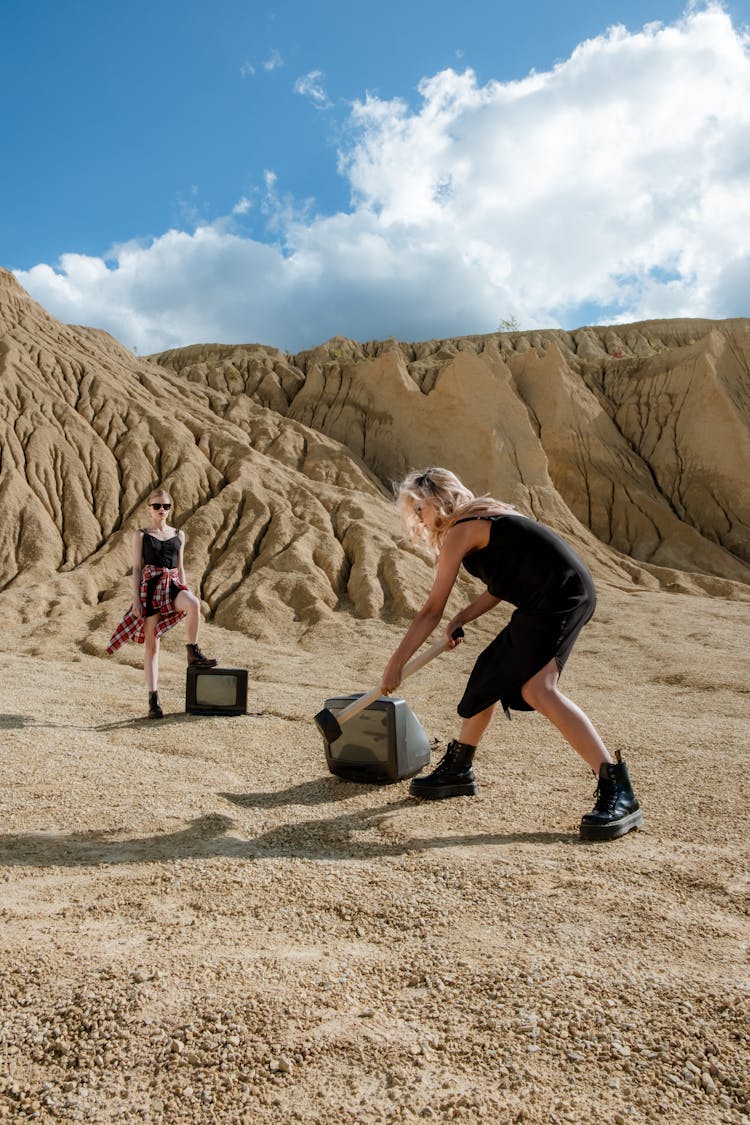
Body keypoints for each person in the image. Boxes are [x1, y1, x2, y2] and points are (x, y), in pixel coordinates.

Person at [380, 468, 642, 841]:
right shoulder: (486, 514)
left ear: (434, 502)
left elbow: (429, 610)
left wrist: (395, 665)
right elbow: (503, 584)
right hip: (549, 596)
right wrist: (462, 617)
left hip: (560, 598)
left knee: (539, 689)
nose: (418, 520)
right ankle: (459, 768)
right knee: (489, 676)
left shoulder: (460, 530)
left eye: (417, 510)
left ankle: (619, 791)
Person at [107, 487, 217, 719]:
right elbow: (137, 569)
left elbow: (181, 567)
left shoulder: (179, 534)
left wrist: (184, 588)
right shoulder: (141, 535)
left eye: (166, 506)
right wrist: (136, 600)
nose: (162, 510)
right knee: (152, 647)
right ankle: (153, 698)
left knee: (194, 604)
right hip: (151, 587)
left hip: (173, 584)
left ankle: (192, 650)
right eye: (157, 506)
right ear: (148, 509)